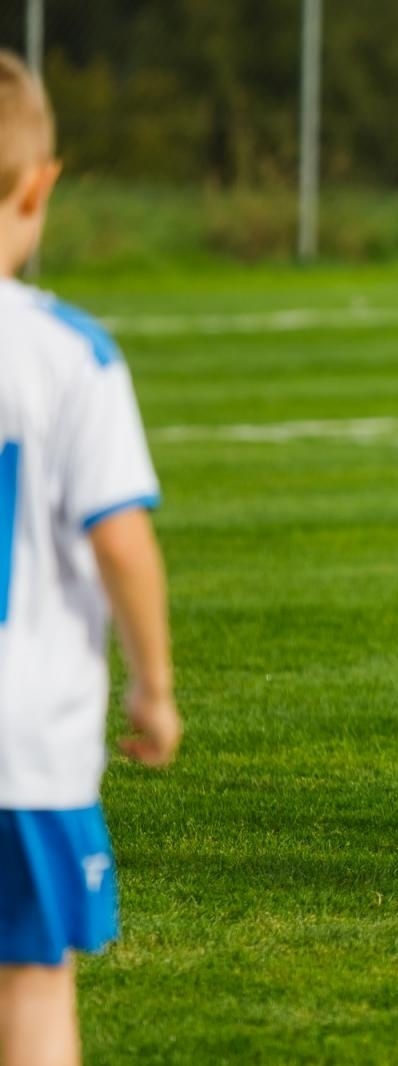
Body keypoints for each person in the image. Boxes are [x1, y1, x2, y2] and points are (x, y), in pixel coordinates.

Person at [0, 51, 182, 1066]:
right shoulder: (68, 353)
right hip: (21, 749)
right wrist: (153, 686)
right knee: (33, 988)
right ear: (42, 184)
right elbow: (120, 535)